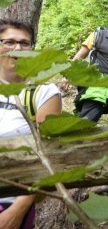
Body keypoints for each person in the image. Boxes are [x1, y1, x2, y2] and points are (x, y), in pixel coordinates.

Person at [0, 19, 62, 229]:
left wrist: (17, 211)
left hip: (9, 201)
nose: (17, 48)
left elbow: (47, 155)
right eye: (9, 41)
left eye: (25, 43)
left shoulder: (43, 91)